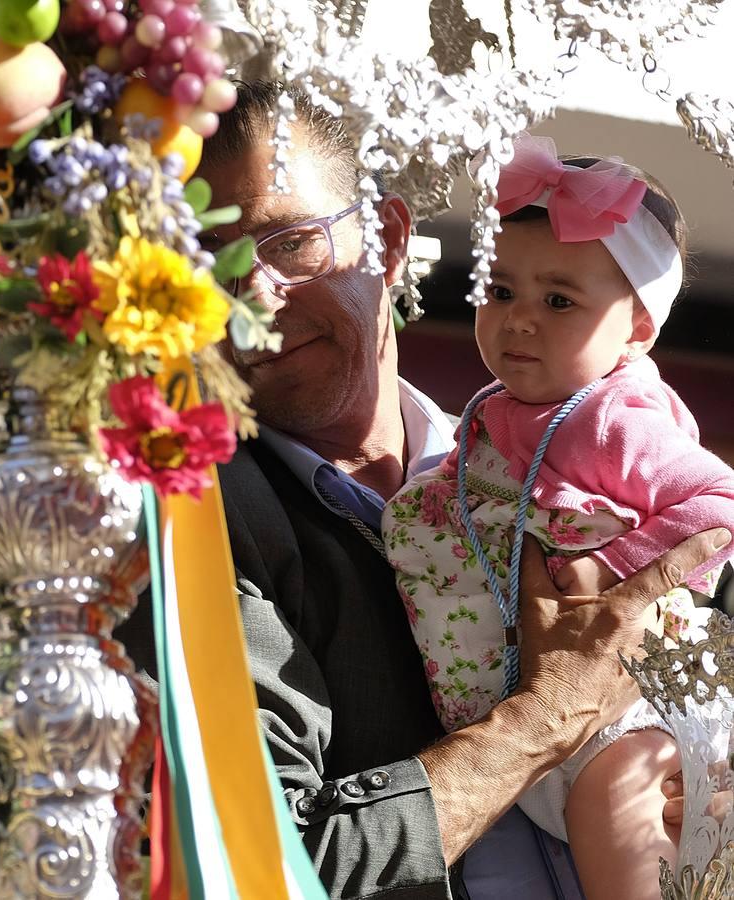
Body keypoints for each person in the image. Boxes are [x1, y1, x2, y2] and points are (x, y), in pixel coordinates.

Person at [117, 80, 731, 899]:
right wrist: (543, 719)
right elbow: (265, 867)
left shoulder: (551, 463)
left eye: (289, 242)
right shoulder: (196, 523)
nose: (249, 299)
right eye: (206, 264)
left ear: (388, 238)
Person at [382, 133, 734, 899]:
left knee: (617, 802)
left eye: (559, 301)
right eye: (498, 291)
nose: (518, 321)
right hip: (527, 717)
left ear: (637, 329)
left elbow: (719, 506)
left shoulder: (612, 418)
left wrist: (613, 569)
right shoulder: (490, 414)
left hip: (627, 703)